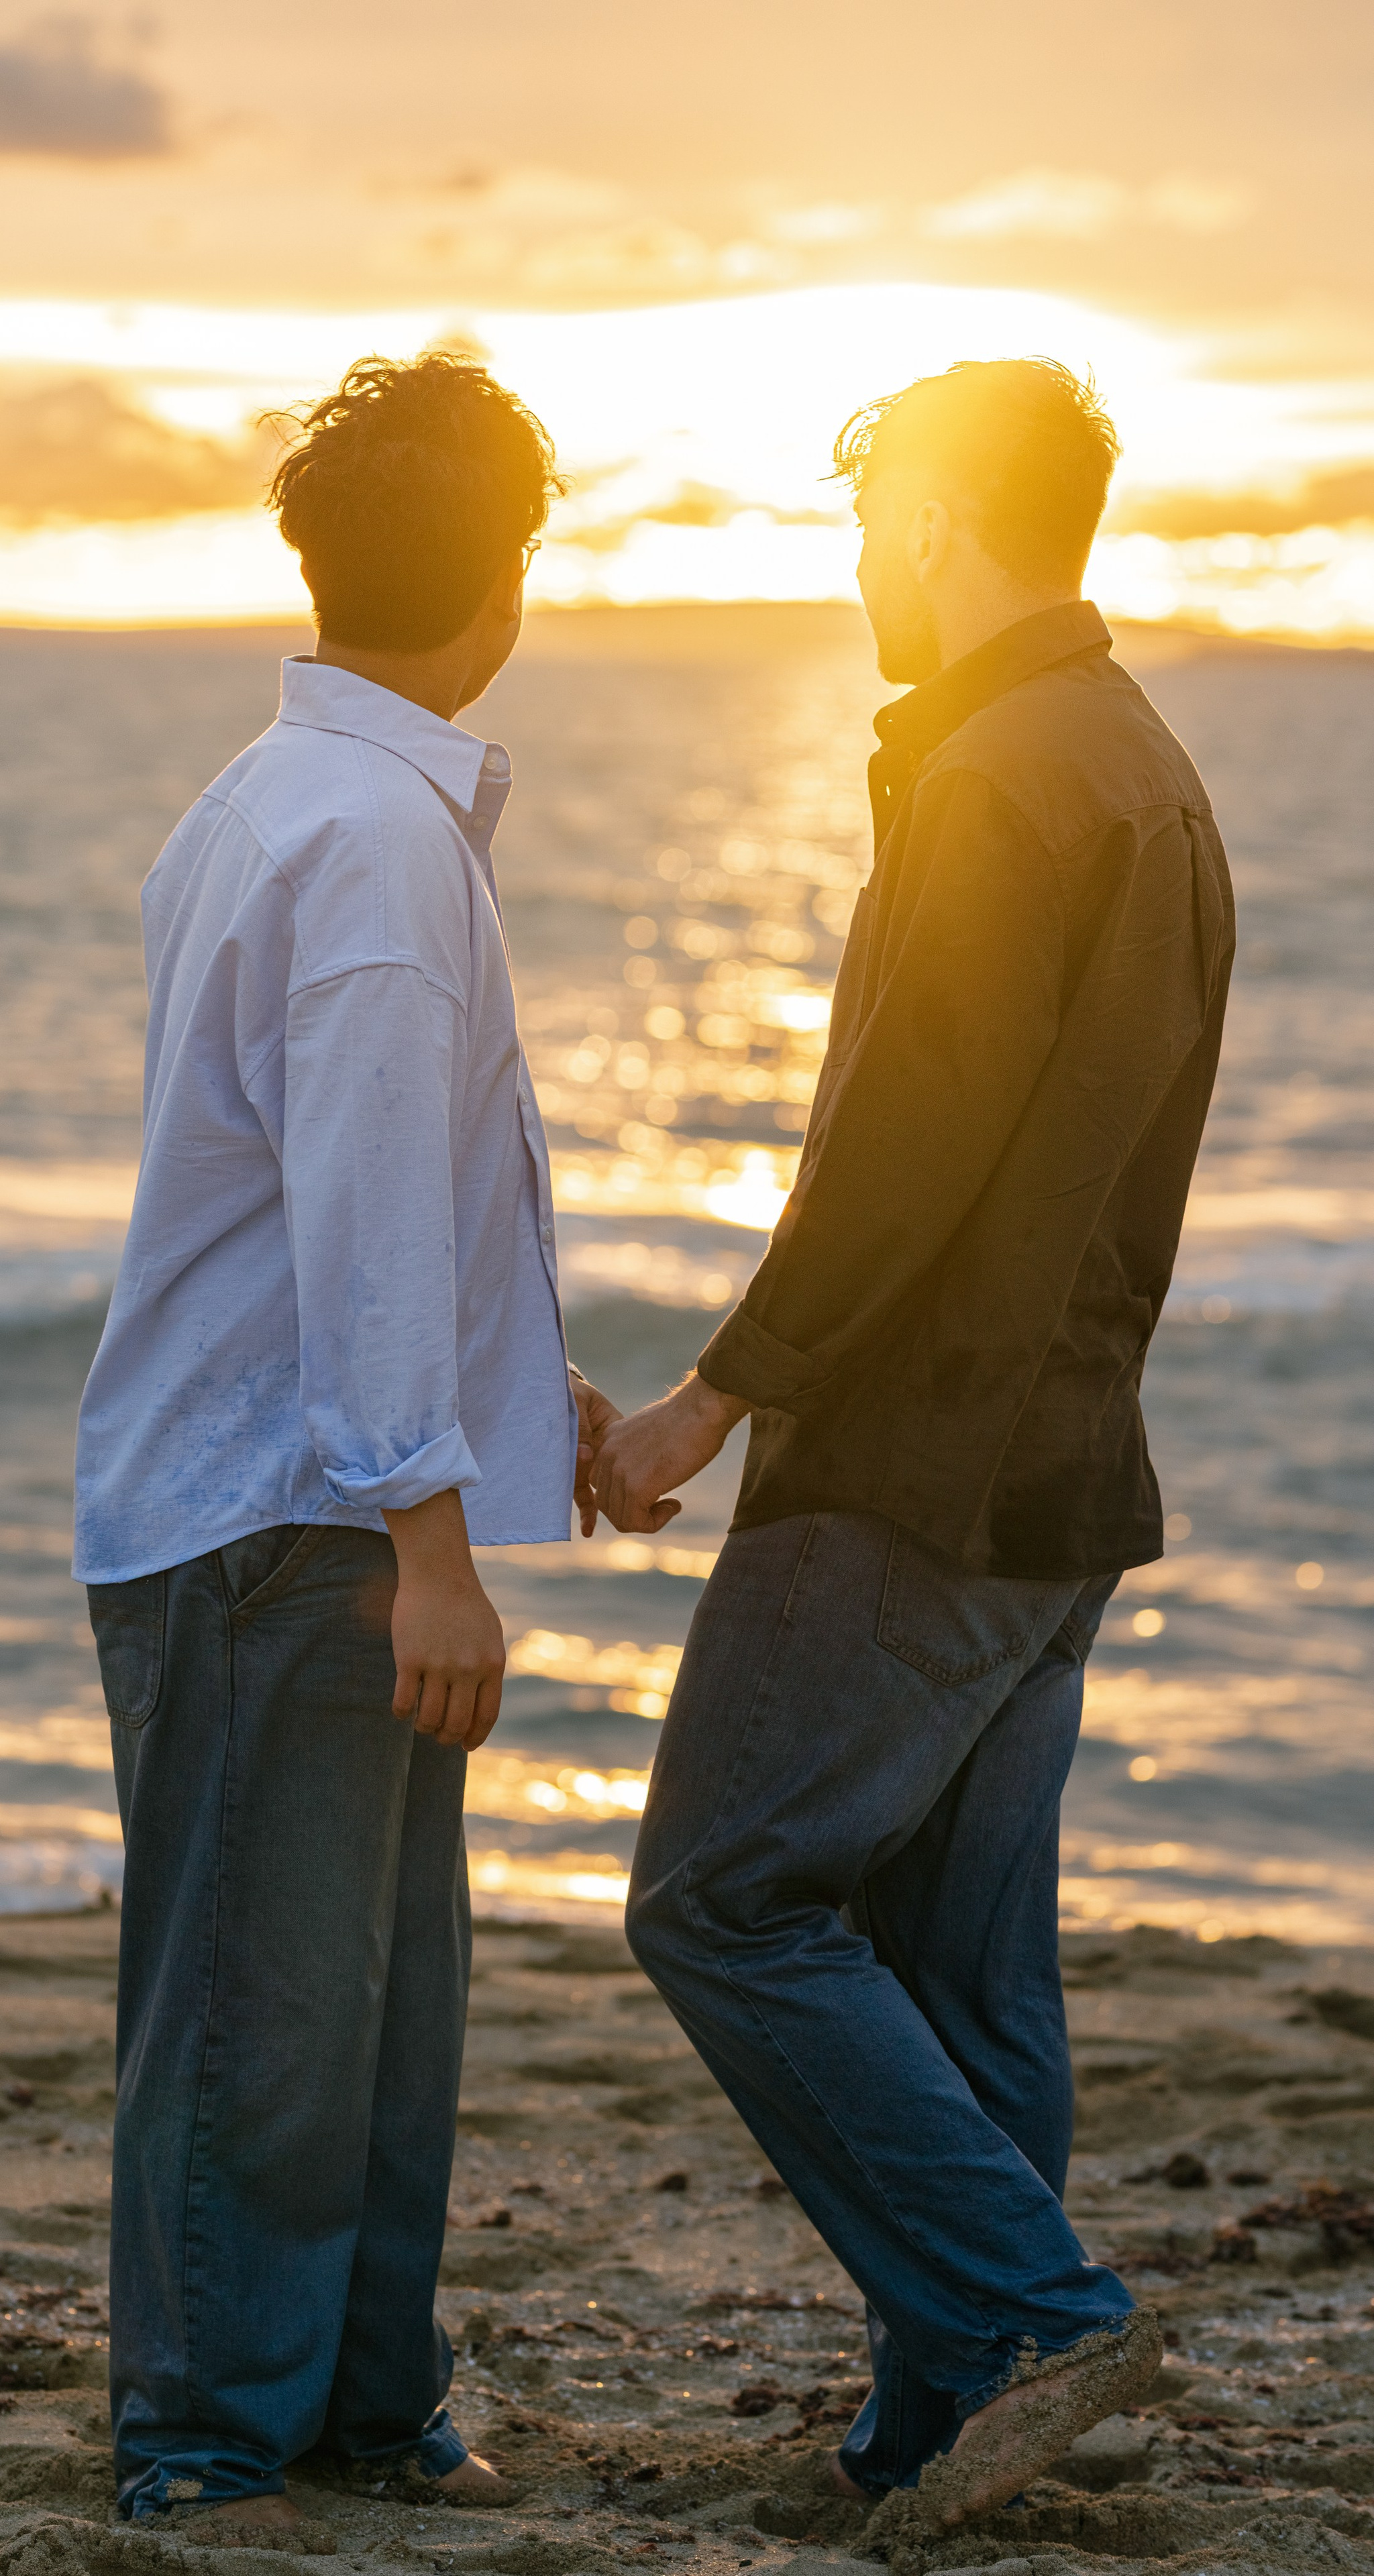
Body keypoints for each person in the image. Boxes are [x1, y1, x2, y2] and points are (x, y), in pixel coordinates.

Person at [589, 358, 1233, 2526]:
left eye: (875, 523)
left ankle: (1034, 2321)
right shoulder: (1146, 769)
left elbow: (904, 1154)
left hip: (921, 1472)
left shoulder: (998, 777)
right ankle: (947, 2427)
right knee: (964, 1974)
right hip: (1066, 1470)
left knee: (719, 1900)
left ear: (944, 519)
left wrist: (709, 1396)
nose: (865, 561)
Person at [73, 353, 617, 2537]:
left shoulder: (271, 802)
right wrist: (434, 1541)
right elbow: (364, 1205)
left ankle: (369, 2408)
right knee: (262, 2015)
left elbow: (361, 1196)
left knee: (379, 2004)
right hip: (285, 1517)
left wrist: (521, 1408)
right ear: (507, 579)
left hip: (306, 1496)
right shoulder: (375, 841)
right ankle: (209, 2448)